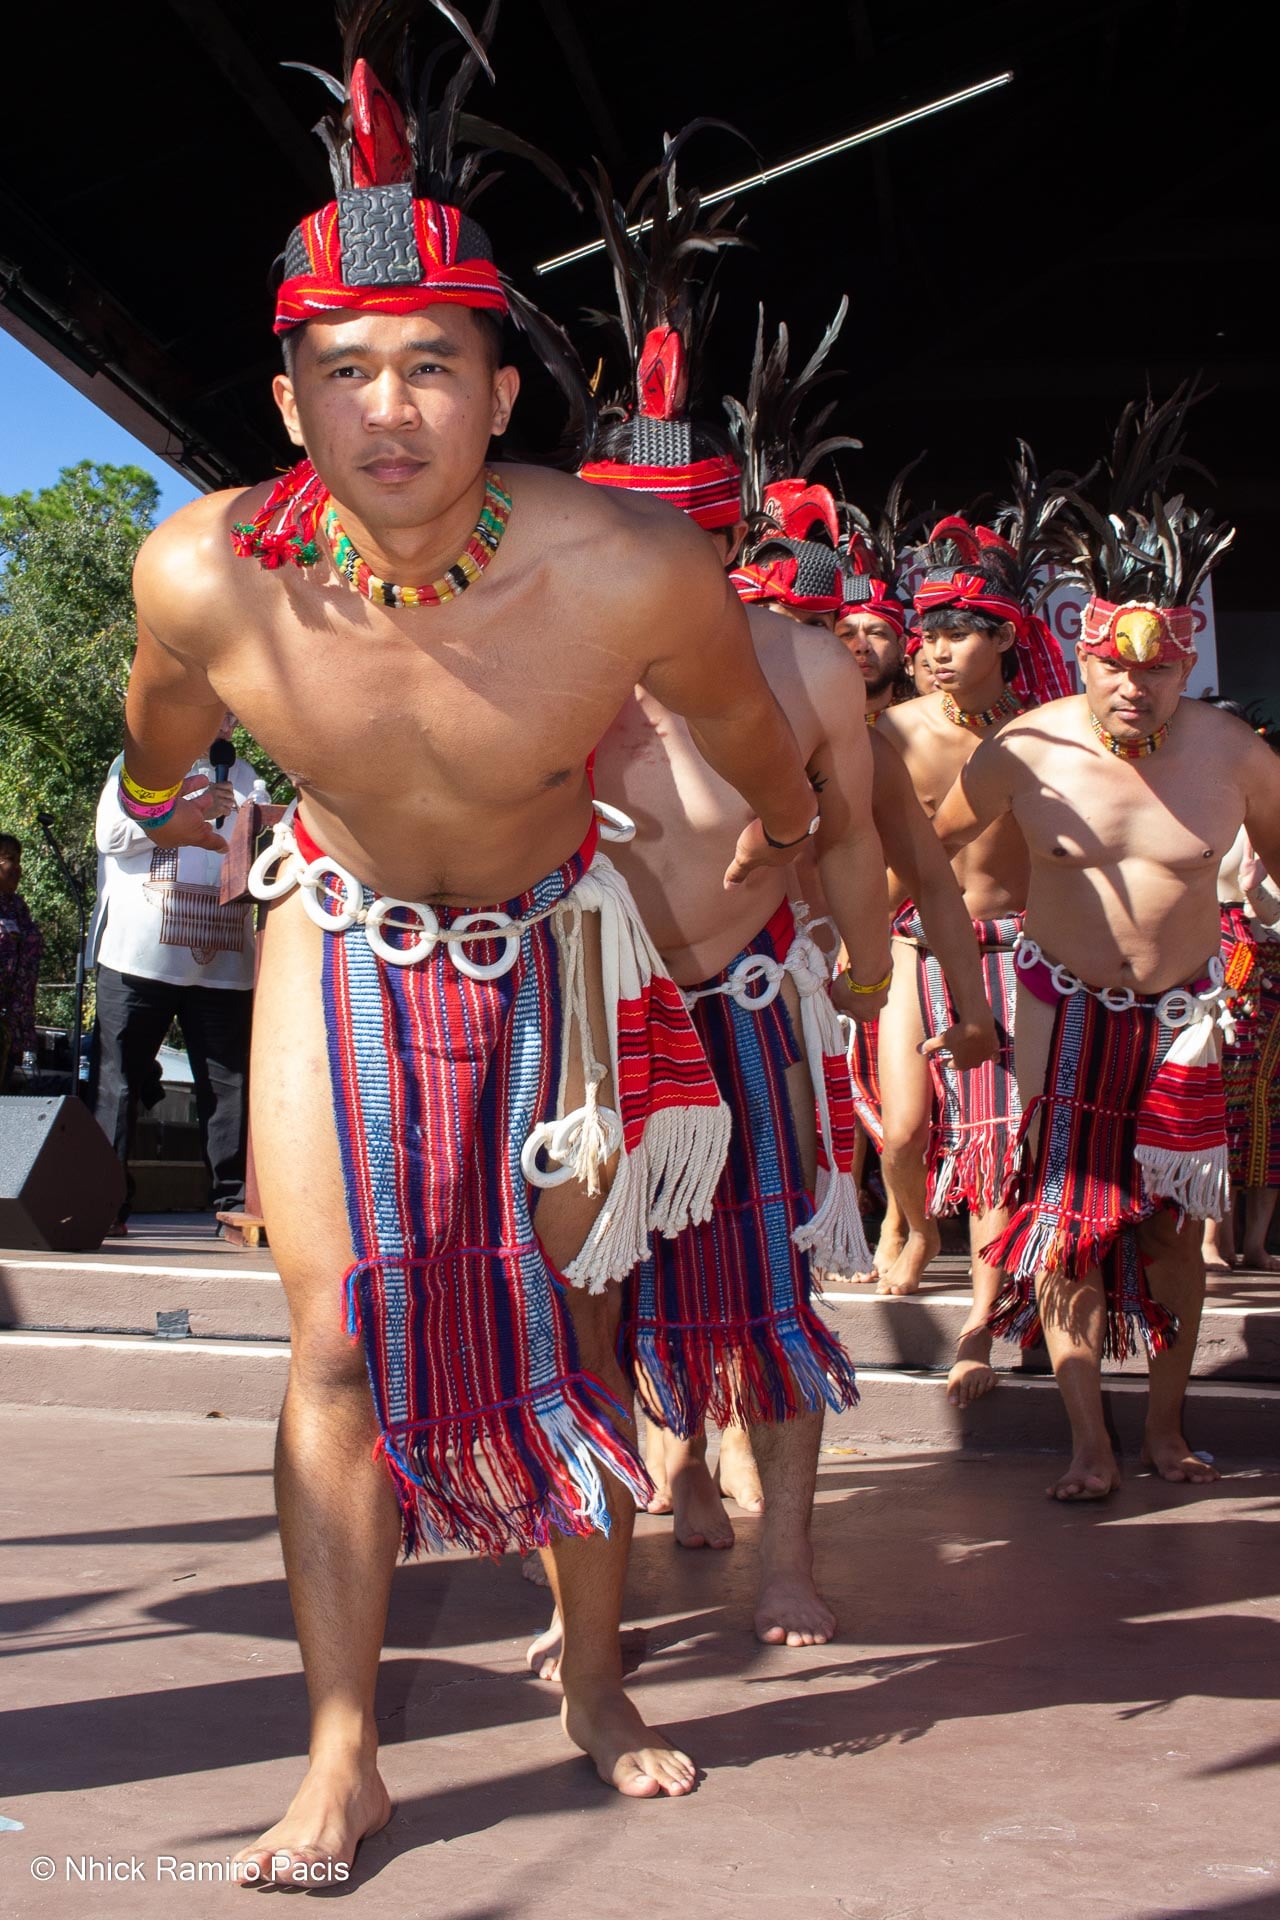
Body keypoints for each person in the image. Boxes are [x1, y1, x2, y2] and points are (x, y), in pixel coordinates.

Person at [118, 24, 824, 1876]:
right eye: (344, 371)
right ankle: (342, 1746)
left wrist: (799, 839)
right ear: (291, 405)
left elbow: (763, 750)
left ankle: (593, 1681)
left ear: (502, 392)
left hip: (558, 945)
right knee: (338, 1333)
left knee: (571, 1317)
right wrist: (169, 785)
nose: (391, 410)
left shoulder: (629, 573)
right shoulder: (200, 571)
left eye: (434, 363)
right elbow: (155, 743)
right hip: (334, 930)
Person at [935, 420, 1280, 1498]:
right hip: (1058, 1008)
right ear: (1077, 651)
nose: (1134, 686)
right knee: (1069, 1229)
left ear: (1186, 661)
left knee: (1174, 1235)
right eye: (1110, 665)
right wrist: (947, 985)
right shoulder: (1021, 750)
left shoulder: (1236, 756)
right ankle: (1087, 1440)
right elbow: (928, 859)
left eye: (1159, 668)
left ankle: (1164, 1431)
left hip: (1181, 1015)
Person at [872, 459, 1074, 1410]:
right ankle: (912, 1225)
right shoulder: (895, 733)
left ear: (1006, 637)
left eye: (960, 632)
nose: (940, 649)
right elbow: (875, 859)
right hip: (918, 941)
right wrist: (855, 942)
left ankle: (983, 1323)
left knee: (997, 1143)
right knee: (906, 1130)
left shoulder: (1048, 732)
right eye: (931, 633)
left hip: (1021, 950)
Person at [89, 714, 257, 1230]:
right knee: (119, 1083)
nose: (226, 722)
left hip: (223, 962)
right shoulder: (139, 768)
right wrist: (186, 810)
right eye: (215, 711)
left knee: (229, 1088)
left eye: (232, 713)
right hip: (139, 956)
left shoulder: (248, 777)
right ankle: (103, 1204)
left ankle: (234, 1207)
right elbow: (111, 836)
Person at [1207, 714, 1280, 1273]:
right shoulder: (1203, 808)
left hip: (1267, 959)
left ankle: (1253, 1243)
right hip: (1220, 952)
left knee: (1268, 1103)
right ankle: (1215, 1239)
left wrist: (1262, 905)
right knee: (1218, 1091)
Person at [0, 834, 42, 1088]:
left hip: (12, 1022)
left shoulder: (17, 906)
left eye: (19, 860)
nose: (17, 868)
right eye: (9, 859)